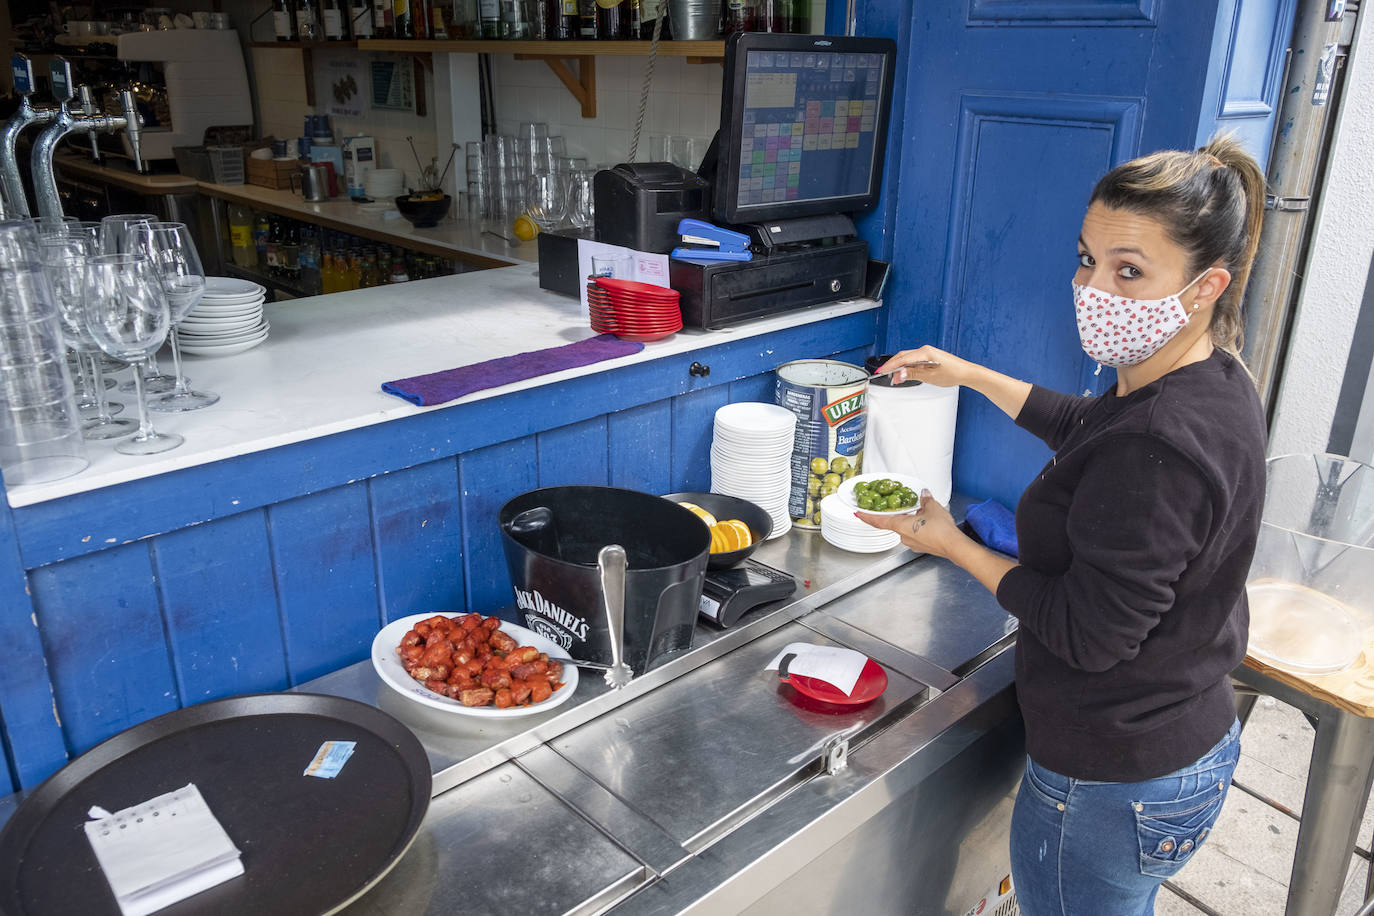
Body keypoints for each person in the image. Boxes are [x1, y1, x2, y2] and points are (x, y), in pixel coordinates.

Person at [857, 135, 1268, 915]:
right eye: (1087, 258)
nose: (1093, 287)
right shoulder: (1208, 376)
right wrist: (970, 374)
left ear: (1207, 284)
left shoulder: (1160, 442)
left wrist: (952, 543)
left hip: (1113, 779)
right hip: (1185, 743)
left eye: (1130, 271)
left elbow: (1087, 634)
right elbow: (1091, 427)